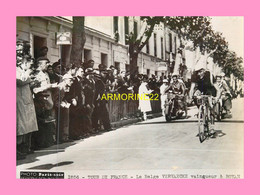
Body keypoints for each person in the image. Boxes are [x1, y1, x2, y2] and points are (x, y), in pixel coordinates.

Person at [16, 52, 38, 160]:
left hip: (26, 100)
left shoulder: (24, 71)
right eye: (30, 64)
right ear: (24, 63)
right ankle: (17, 149)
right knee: (21, 127)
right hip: (19, 101)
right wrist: (29, 76)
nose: (31, 67)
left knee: (27, 126)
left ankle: (25, 147)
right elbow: (19, 82)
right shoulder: (17, 70)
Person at [189, 67, 220, 133]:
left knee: (211, 108)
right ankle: (202, 111)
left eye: (200, 72)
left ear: (204, 71)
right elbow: (192, 88)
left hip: (211, 90)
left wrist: (216, 97)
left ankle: (212, 127)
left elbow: (218, 89)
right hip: (201, 89)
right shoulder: (194, 75)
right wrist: (190, 97)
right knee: (195, 96)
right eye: (197, 72)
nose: (199, 74)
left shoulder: (209, 75)